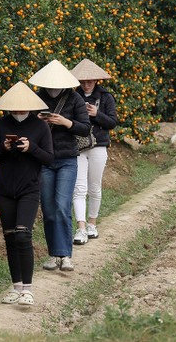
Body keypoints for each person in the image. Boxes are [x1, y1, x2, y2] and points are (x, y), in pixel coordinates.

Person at [0, 82, 53, 306]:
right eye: (13, 107)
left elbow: (49, 158)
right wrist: (4, 148)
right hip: (4, 189)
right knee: (10, 238)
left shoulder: (40, 127)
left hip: (29, 188)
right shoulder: (1, 124)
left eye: (21, 106)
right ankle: (16, 287)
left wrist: (31, 147)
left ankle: (28, 289)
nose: (17, 110)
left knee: (23, 235)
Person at [29, 60, 91, 272]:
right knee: (48, 210)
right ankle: (54, 255)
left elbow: (85, 128)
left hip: (66, 160)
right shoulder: (37, 98)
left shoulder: (74, 98)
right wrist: (37, 121)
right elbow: (26, 129)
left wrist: (65, 122)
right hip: (44, 160)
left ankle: (65, 256)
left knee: (62, 207)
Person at [70, 59, 118, 245]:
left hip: (99, 145)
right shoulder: (73, 97)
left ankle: (92, 224)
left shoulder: (106, 97)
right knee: (79, 187)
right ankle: (80, 228)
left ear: (96, 80)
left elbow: (112, 123)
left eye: (90, 80)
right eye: (83, 81)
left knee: (94, 186)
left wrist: (96, 114)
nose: (86, 84)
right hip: (79, 146)